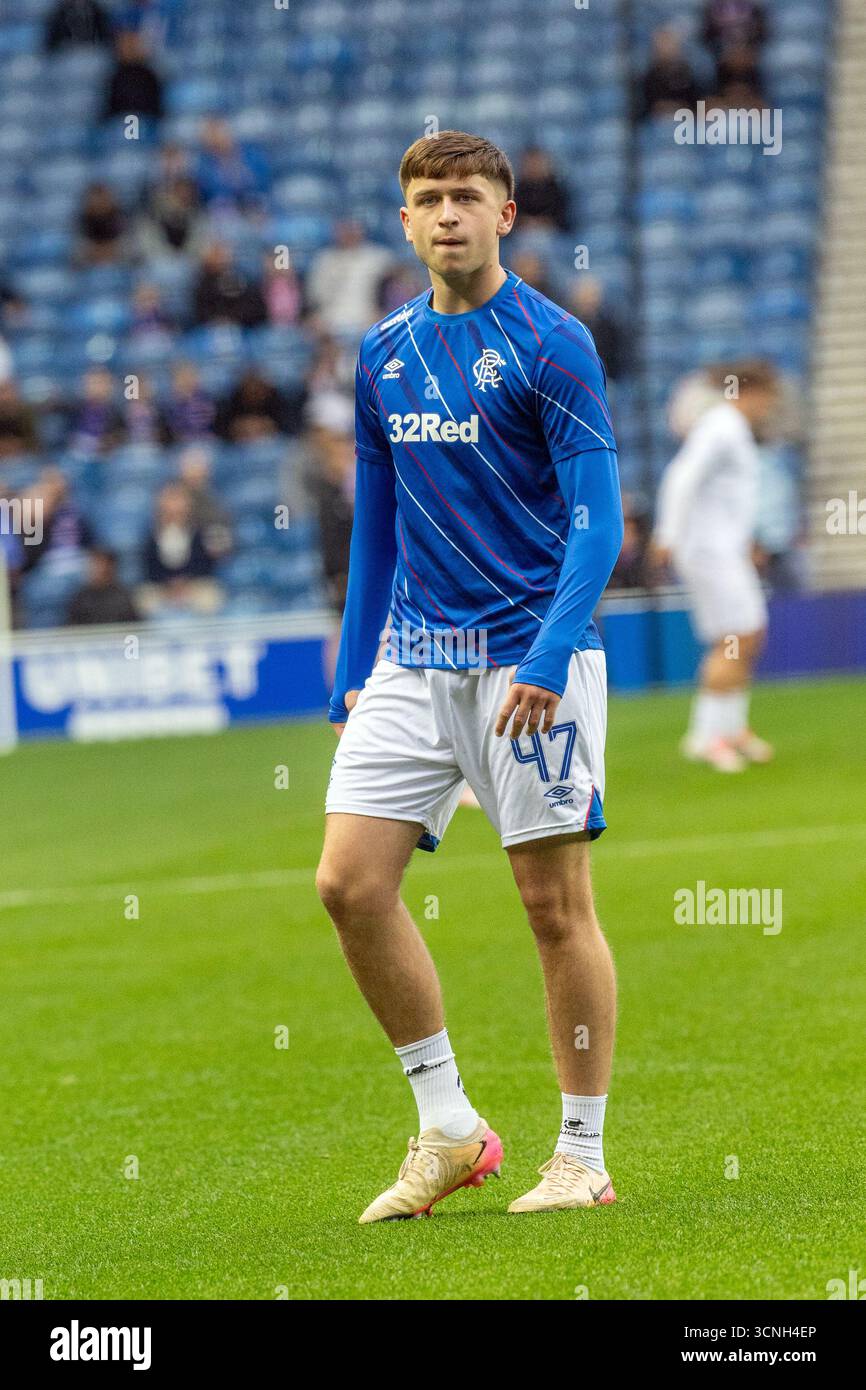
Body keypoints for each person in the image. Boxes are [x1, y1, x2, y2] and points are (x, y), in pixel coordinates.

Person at [316, 131, 624, 1223]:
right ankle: (448, 1128)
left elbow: (598, 520)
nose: (446, 214)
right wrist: (355, 664)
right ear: (403, 222)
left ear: (504, 215)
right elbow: (378, 524)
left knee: (551, 906)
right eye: (426, 199)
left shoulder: (552, 343)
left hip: (527, 662)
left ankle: (578, 1156)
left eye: (465, 196)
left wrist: (547, 651)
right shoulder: (383, 353)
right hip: (413, 657)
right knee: (347, 884)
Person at [650, 361, 779, 771]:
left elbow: (727, 496)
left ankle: (731, 726)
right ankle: (707, 736)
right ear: (752, 392)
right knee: (732, 637)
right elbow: (681, 477)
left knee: (749, 632)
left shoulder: (733, 429)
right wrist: (667, 535)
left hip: (725, 549)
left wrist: (747, 542)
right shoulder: (721, 425)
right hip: (708, 551)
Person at [306, 220, 392, 337]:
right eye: (345, 229)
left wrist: (384, 313)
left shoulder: (379, 258)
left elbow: (398, 288)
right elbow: (315, 298)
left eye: (353, 228)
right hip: (331, 322)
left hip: (369, 319)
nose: (349, 233)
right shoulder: (324, 260)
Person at [637, 27, 700, 121]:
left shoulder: (688, 73)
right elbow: (652, 106)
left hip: (688, 121)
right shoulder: (649, 76)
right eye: (661, 44)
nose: (665, 48)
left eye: (669, 44)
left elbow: (696, 103)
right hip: (657, 124)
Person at [66, 547, 141, 625]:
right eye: (93, 564)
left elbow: (131, 628)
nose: (95, 569)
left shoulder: (125, 597)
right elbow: (73, 628)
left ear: (111, 567)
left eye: (99, 564)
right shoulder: (80, 597)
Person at [102, 30, 163, 122]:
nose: (129, 48)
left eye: (132, 45)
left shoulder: (149, 75)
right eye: (125, 45)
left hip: (146, 122)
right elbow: (110, 108)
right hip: (120, 123)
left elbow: (156, 109)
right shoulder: (114, 75)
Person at [514, 146, 571, 232]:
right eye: (530, 163)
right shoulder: (516, 190)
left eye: (537, 162)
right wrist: (526, 222)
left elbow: (562, 219)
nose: (534, 166)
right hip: (522, 236)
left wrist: (543, 222)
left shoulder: (556, 190)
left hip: (552, 235)